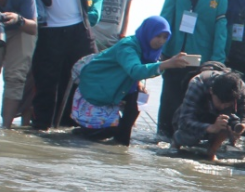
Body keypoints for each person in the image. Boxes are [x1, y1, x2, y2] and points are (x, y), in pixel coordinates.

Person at [27, 0, 108, 130]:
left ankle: (71, 126)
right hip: (50, 29)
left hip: (78, 28)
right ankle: (41, 127)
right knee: (47, 82)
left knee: (86, 74)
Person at [71, 16, 188, 144]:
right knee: (98, 134)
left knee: (139, 98)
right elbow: (135, 70)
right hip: (98, 87)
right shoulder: (128, 46)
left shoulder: (148, 50)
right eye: (158, 36)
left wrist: (140, 81)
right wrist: (166, 64)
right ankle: (91, 132)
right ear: (148, 33)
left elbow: (143, 71)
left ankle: (122, 140)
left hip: (117, 87)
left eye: (165, 37)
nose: (161, 41)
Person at [156, 0, 228, 141]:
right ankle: (162, 141)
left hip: (200, 63)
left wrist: (216, 63)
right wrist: (159, 50)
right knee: (169, 101)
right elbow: (165, 19)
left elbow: (220, 33)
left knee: (191, 107)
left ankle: (186, 141)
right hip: (174, 57)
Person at [172, 61, 245, 161]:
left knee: (228, 121)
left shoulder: (239, 86)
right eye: (220, 102)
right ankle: (176, 143)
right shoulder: (198, 83)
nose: (223, 106)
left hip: (222, 119)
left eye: (228, 103)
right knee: (188, 138)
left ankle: (211, 153)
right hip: (197, 115)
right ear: (211, 91)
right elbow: (184, 120)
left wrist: (242, 127)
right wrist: (210, 128)